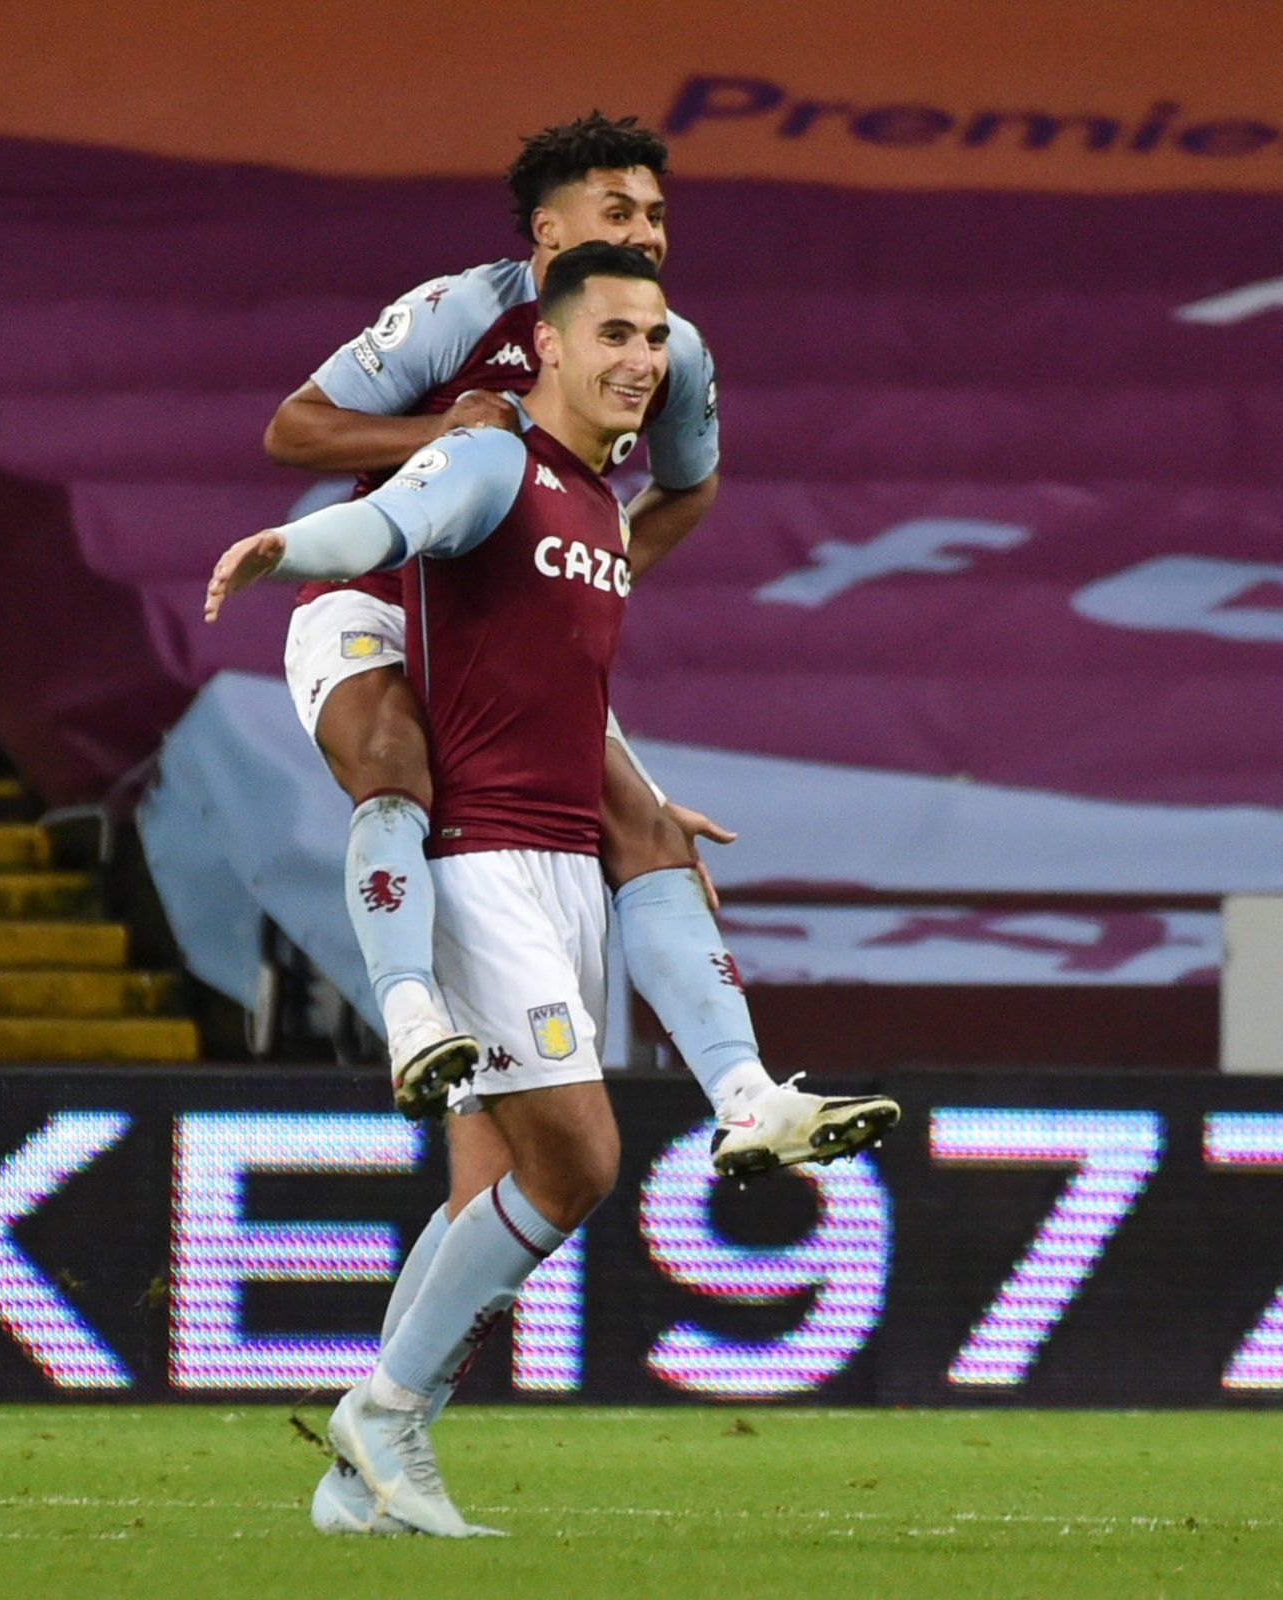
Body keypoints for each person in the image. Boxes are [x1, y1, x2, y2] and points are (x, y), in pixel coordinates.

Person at [209, 245, 898, 1539]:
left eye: (655, 338)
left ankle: (363, 1473)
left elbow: (562, 687)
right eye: (615, 336)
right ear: (552, 347)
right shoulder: (493, 459)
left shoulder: (594, 504)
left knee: (535, 1170)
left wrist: (642, 792)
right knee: (577, 1159)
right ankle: (383, 1412)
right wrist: (287, 547)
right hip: (475, 867)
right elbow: (383, 526)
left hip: (563, 864)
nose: (641, 360)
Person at [264, 112, 883, 1183]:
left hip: (505, 621)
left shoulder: (668, 347)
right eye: (617, 210)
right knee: (395, 760)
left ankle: (747, 1101)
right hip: (377, 598)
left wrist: (587, 570)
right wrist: (455, 436)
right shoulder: (461, 311)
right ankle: (406, 1017)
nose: (645, 233)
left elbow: (690, 485)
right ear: (547, 231)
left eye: (656, 214)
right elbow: (294, 429)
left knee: (647, 825)